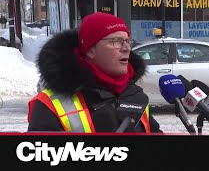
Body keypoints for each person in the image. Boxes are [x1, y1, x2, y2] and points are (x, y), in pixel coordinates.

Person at [27, 12, 163, 133]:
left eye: (127, 41)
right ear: (90, 50)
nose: (127, 48)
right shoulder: (49, 104)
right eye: (116, 41)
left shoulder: (135, 95)